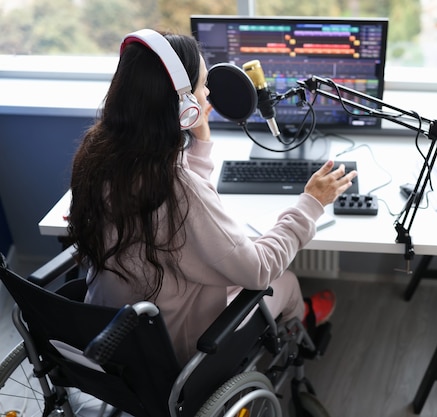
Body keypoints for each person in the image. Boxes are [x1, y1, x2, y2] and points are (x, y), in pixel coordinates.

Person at [67, 29, 357, 364]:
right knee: (285, 281)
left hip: (115, 331)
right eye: (203, 85)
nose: (208, 94)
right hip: (176, 344)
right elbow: (258, 269)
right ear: (183, 105)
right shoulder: (177, 186)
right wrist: (311, 203)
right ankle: (302, 336)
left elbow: (176, 211)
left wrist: (200, 142)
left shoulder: (100, 153)